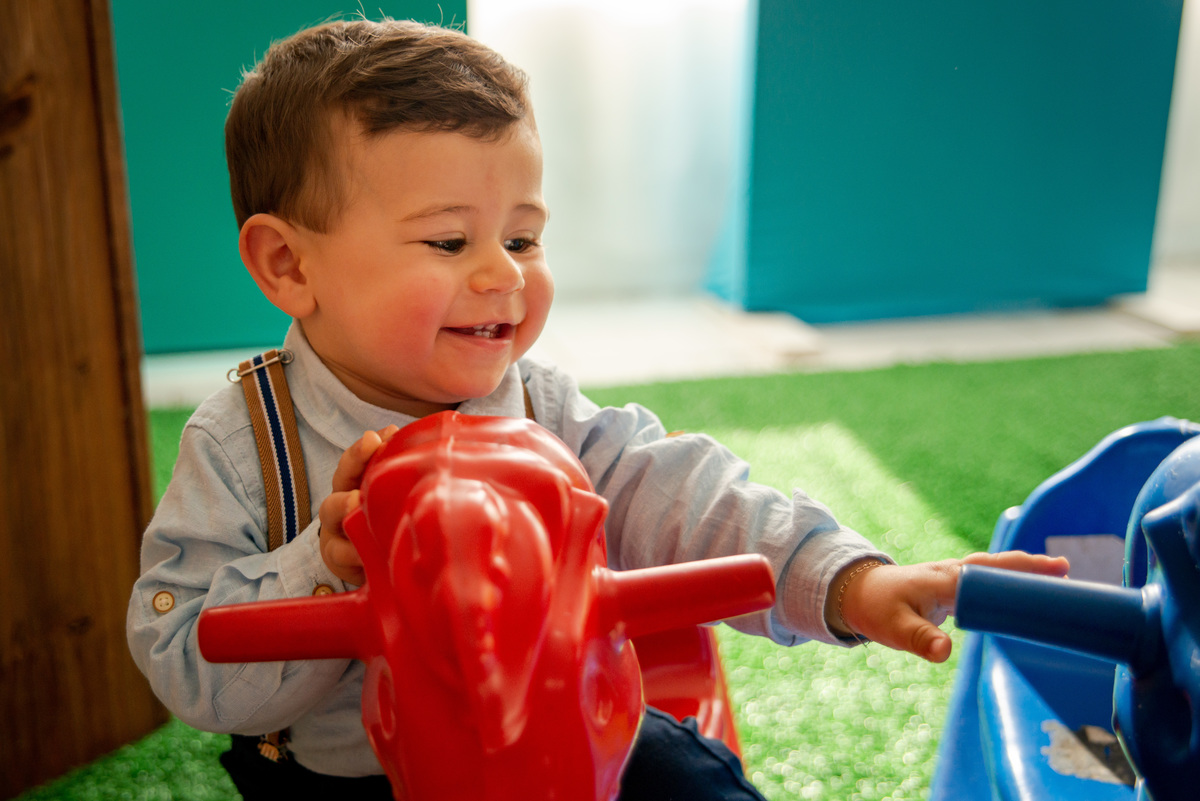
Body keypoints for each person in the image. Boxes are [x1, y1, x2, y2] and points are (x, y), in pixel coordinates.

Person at [126, 17, 1068, 801]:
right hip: (346, 777)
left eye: (526, 236)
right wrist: (323, 568)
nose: (503, 274)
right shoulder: (245, 443)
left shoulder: (541, 408)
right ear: (289, 264)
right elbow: (179, 650)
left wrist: (848, 580)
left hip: (565, 733)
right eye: (450, 240)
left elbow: (689, 499)